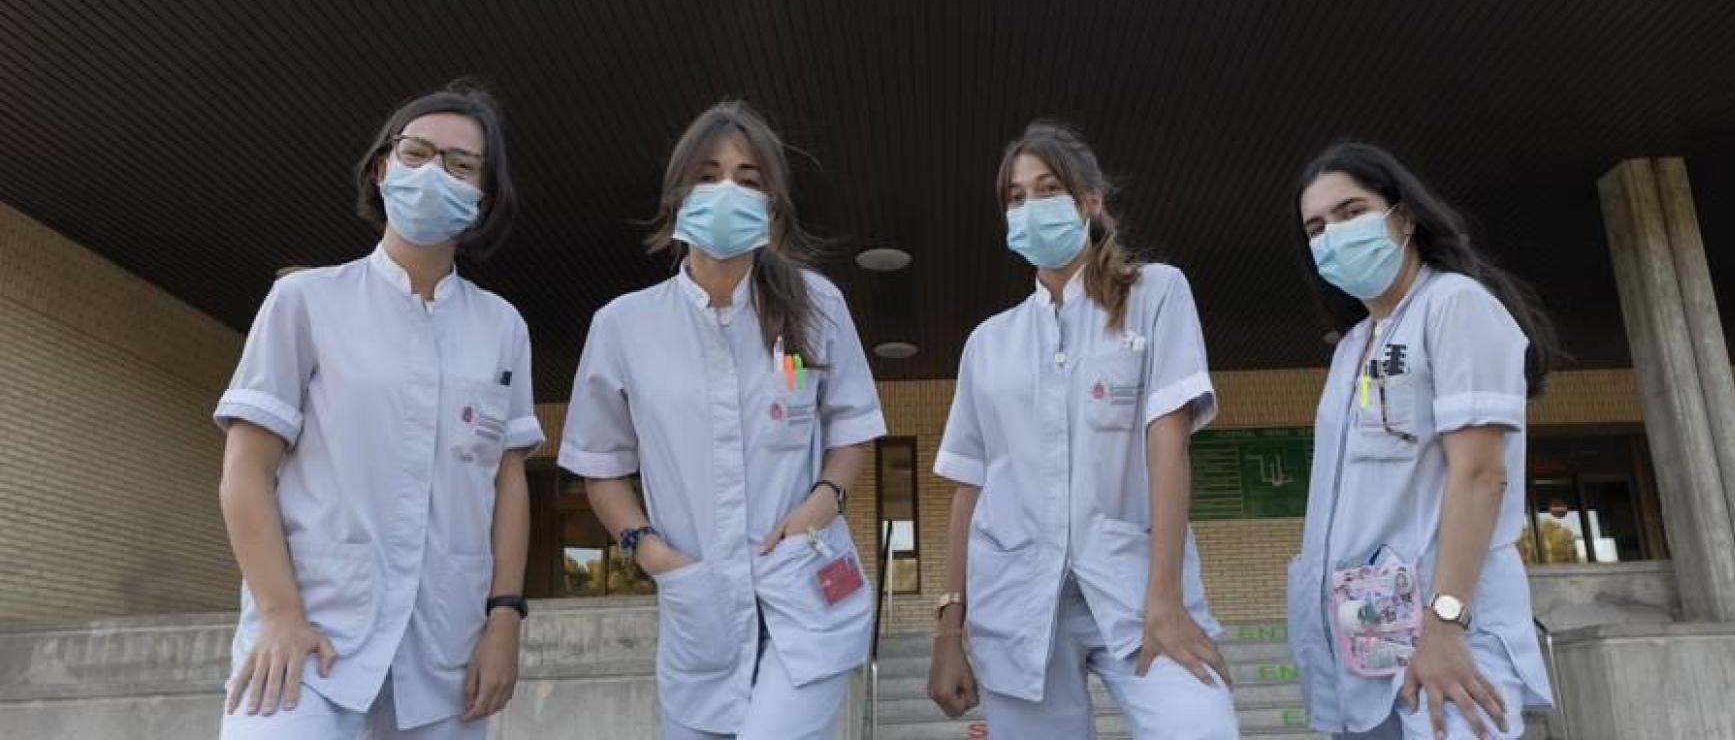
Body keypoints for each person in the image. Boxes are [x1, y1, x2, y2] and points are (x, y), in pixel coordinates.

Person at [214, 82, 544, 738]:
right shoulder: (306, 302)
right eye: (416, 152)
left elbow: (506, 481)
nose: (432, 173)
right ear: (381, 168)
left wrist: (504, 617)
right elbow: (246, 472)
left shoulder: (501, 326)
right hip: (306, 642)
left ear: (485, 194)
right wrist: (280, 613)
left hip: (446, 656)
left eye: (460, 164)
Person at [558, 100, 887, 740]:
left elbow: (851, 429)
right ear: (678, 194)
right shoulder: (624, 325)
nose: (727, 191)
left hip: (806, 589)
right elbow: (601, 469)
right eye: (709, 175)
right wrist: (649, 552)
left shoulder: (816, 304)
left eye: (748, 177)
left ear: (773, 202)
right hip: (697, 605)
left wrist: (822, 501)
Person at [925, 121, 1239, 740]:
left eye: (1047, 189)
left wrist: (1167, 601)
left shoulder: (1155, 294)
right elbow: (970, 488)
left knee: (1200, 727)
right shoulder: (988, 344)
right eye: (1016, 198)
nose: (1030, 207)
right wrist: (948, 628)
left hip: (1136, 589)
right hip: (1016, 603)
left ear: (1090, 202)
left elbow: (1168, 444)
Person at [1287, 142, 1558, 740]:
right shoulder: (1355, 345)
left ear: (1403, 217)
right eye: (1316, 227)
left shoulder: (1455, 305)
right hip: (1369, 636)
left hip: (1448, 630)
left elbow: (1480, 474)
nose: (1333, 234)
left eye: (1351, 211)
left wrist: (1444, 623)